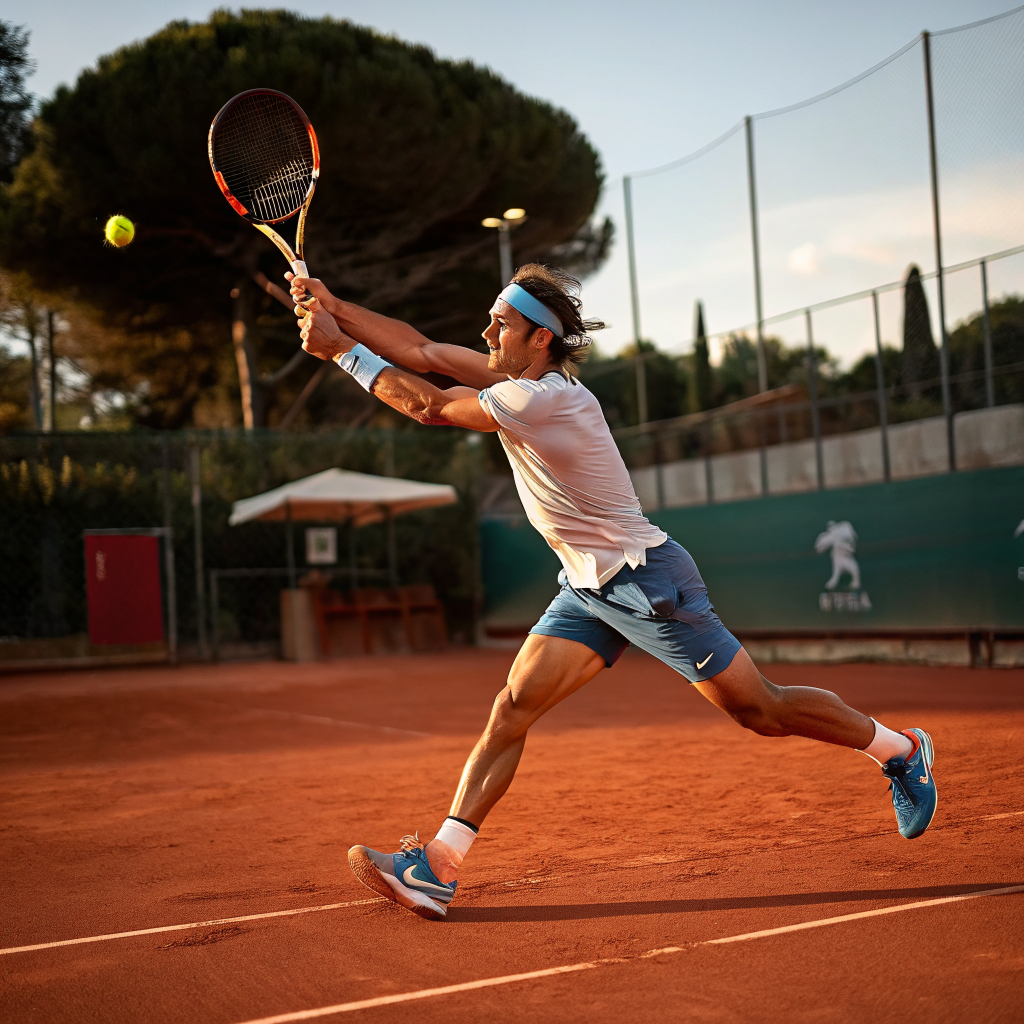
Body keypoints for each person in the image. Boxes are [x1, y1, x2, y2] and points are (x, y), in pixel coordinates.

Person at [287, 263, 937, 921]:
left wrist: (342, 349)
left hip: (648, 583)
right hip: (586, 588)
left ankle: (901, 750)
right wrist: (337, 306)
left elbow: (427, 402)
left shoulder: (541, 399)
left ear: (540, 339)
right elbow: (422, 352)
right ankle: (438, 867)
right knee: (512, 706)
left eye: (501, 323)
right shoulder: (520, 381)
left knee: (760, 711)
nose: (486, 330)